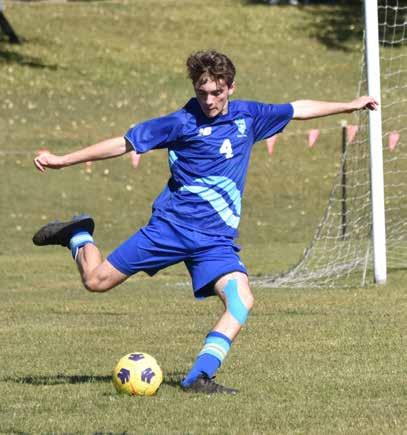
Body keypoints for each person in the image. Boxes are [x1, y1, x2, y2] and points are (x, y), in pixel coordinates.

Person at [32, 49, 378, 395]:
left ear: (231, 88)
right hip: (170, 229)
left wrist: (349, 106)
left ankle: (199, 377)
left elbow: (297, 108)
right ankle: (78, 234)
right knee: (96, 281)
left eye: (217, 92)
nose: (209, 100)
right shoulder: (181, 122)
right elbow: (123, 143)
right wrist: (63, 160)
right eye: (202, 92)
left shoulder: (249, 117)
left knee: (241, 300)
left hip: (215, 240)